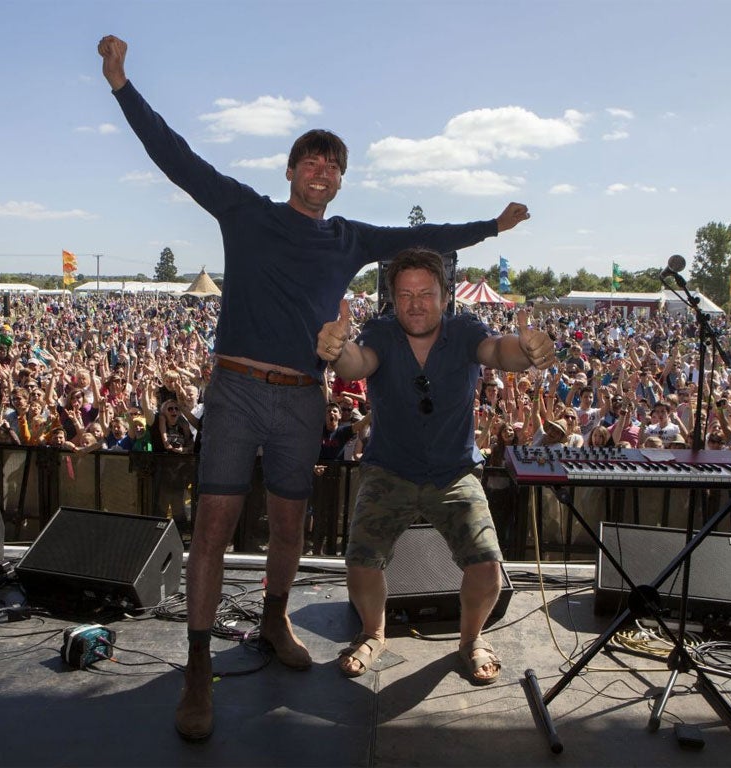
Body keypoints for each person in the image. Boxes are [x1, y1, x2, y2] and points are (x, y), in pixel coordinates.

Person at [97, 35, 531, 742]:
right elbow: (175, 157)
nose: (322, 169)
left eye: (334, 164)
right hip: (236, 387)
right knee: (212, 529)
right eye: (312, 159)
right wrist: (121, 85)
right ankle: (198, 668)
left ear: (339, 183)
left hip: (304, 394)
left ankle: (274, 618)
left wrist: (493, 225)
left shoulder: (351, 239)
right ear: (292, 170)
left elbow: (427, 236)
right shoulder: (245, 212)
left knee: (292, 524)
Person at [316, 247, 554, 684]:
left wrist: (527, 349)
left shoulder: (464, 331)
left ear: (445, 297)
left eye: (426, 293)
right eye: (405, 294)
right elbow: (359, 361)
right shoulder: (381, 332)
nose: (416, 303)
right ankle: (373, 633)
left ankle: (471, 640)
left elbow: (499, 353)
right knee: (361, 561)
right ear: (392, 299)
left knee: (486, 567)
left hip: (454, 472)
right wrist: (337, 351)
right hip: (390, 469)